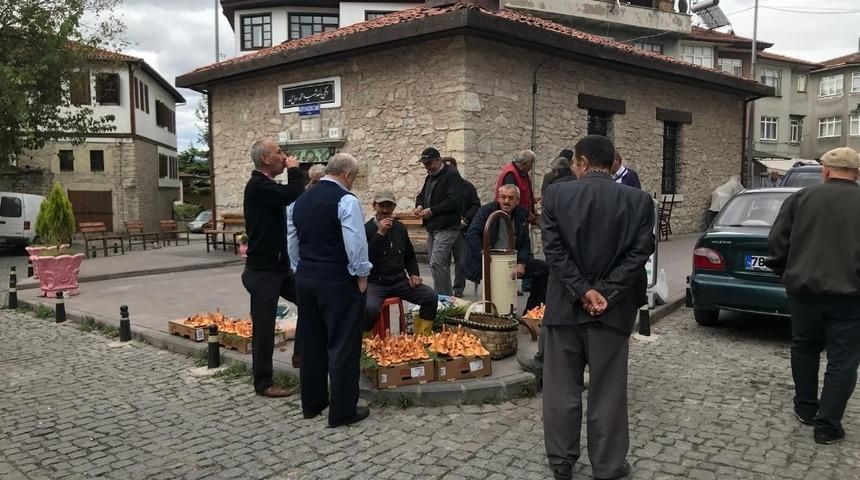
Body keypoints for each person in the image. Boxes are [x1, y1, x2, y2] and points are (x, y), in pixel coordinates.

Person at [541, 135, 655, 480]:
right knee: (607, 392)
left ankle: (561, 462)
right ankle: (607, 466)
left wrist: (583, 291)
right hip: (613, 310)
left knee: (561, 390)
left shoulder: (556, 195)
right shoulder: (639, 201)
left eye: (575, 163)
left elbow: (553, 250)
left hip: (565, 307)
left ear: (583, 161)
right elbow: (640, 254)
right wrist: (604, 292)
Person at [766, 146, 860, 445]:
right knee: (843, 361)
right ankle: (828, 425)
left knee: (805, 348)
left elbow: (777, 242)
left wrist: (786, 274)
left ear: (827, 171)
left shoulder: (801, 199)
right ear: (856, 173)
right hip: (850, 296)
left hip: (804, 293)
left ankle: (806, 409)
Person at [287, 153, 372, 428]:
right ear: (347, 175)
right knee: (343, 345)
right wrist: (362, 274)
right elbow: (355, 242)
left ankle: (313, 403)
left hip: (307, 277)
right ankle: (342, 411)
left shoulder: (298, 201)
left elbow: (292, 241)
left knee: (312, 343)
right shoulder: (346, 200)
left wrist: (300, 268)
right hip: (336, 279)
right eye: (354, 178)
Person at [241, 139, 305, 398]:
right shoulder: (258, 185)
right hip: (262, 271)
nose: (283, 155)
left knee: (310, 300)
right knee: (264, 329)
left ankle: (300, 353)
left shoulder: (267, 185)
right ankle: (263, 383)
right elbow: (292, 194)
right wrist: (294, 169)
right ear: (266, 159)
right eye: (278, 153)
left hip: (280, 268)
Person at [464, 184, 547, 314]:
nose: (506, 201)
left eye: (511, 198)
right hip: (488, 259)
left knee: (544, 269)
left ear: (517, 200)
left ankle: (531, 313)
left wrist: (522, 263)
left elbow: (525, 243)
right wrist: (484, 255)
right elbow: (472, 234)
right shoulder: (486, 212)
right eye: (503, 197)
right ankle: (493, 312)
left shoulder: (520, 215)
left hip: (512, 260)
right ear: (498, 198)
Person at [364, 190, 438, 331]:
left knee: (430, 297)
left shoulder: (399, 228)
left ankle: (421, 338)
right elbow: (365, 258)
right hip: (376, 283)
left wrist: (414, 274)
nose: (385, 210)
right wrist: (379, 234)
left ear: (394, 208)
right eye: (381, 206)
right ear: (374, 206)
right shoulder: (366, 229)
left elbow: (409, 255)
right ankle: (366, 345)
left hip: (399, 281)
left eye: (389, 206)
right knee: (369, 308)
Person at [413, 147, 463, 296]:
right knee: (437, 264)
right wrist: (419, 206)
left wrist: (432, 210)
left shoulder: (452, 175)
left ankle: (442, 299)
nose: (427, 167)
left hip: (447, 227)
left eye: (429, 163)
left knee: (437, 262)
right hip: (433, 227)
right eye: (425, 164)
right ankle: (444, 296)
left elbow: (454, 201)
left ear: (438, 160)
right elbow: (421, 196)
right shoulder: (430, 176)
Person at [443, 157, 481, 298]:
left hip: (461, 230)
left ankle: (458, 290)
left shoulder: (467, 186)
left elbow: (476, 204)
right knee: (442, 262)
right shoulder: (439, 187)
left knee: (461, 261)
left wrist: (466, 219)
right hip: (444, 229)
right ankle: (444, 291)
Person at [495, 149, 537, 223]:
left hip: (520, 216)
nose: (531, 168)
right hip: (512, 218)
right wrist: (527, 213)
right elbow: (510, 199)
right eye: (531, 164)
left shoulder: (522, 172)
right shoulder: (510, 175)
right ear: (525, 163)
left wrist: (532, 200)